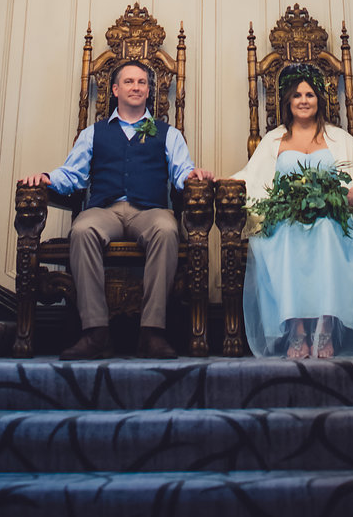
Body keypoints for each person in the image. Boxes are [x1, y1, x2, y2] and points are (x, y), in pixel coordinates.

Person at [20, 60, 212, 360]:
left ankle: (152, 332)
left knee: (167, 228)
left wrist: (191, 176)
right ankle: (96, 333)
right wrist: (46, 179)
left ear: (149, 90)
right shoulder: (93, 133)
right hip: (105, 209)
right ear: (115, 89)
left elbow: (181, 171)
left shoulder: (168, 133)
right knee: (82, 229)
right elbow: (72, 175)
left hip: (149, 210)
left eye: (141, 82)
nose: (135, 87)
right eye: (129, 82)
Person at [231, 67, 353, 359]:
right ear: (288, 100)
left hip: (332, 216)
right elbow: (247, 178)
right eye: (297, 95)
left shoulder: (339, 138)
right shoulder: (274, 140)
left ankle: (325, 327)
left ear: (319, 100)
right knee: (284, 234)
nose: (303, 100)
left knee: (325, 230)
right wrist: (211, 181)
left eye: (309, 94)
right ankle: (297, 331)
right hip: (286, 218)